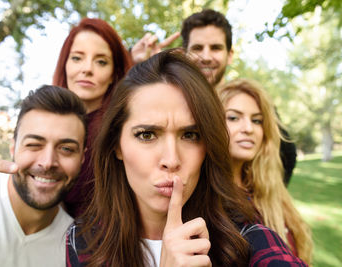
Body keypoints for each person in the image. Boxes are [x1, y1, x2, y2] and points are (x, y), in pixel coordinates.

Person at [66, 51, 308, 266]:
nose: (171, 160)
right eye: (147, 134)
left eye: (190, 135)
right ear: (117, 145)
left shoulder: (244, 235)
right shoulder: (83, 241)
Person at [131, 9, 297, 185]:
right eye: (197, 48)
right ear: (183, 54)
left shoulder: (250, 102)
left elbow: (286, 154)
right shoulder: (173, 99)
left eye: (216, 48)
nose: (206, 57)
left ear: (230, 54)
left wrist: (262, 199)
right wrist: (145, 69)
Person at [0, 85, 87, 267]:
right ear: (13, 148)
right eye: (34, 144)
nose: (48, 162)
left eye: (66, 149)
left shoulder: (78, 249)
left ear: (82, 158)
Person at [217, 78, 313, 265]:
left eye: (257, 120)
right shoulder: (212, 198)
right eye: (233, 117)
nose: (248, 129)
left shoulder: (269, 188)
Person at [52, 18, 132, 217]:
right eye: (77, 58)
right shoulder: (42, 122)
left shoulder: (122, 130)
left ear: (114, 73)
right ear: (65, 65)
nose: (87, 68)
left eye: (101, 61)